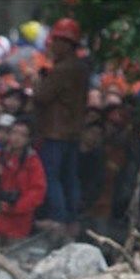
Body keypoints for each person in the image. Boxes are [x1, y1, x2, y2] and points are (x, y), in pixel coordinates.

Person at [33, 17, 87, 237]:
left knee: (52, 176)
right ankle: (71, 218)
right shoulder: (80, 68)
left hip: (56, 132)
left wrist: (38, 80)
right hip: (72, 132)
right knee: (69, 176)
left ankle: (59, 217)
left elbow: (41, 96)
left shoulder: (63, 69)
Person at [0, 117, 46, 244]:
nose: (17, 138)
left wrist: (16, 207)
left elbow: (37, 192)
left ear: (28, 139)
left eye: (22, 135)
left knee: (12, 259)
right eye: (14, 132)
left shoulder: (33, 162)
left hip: (19, 222)